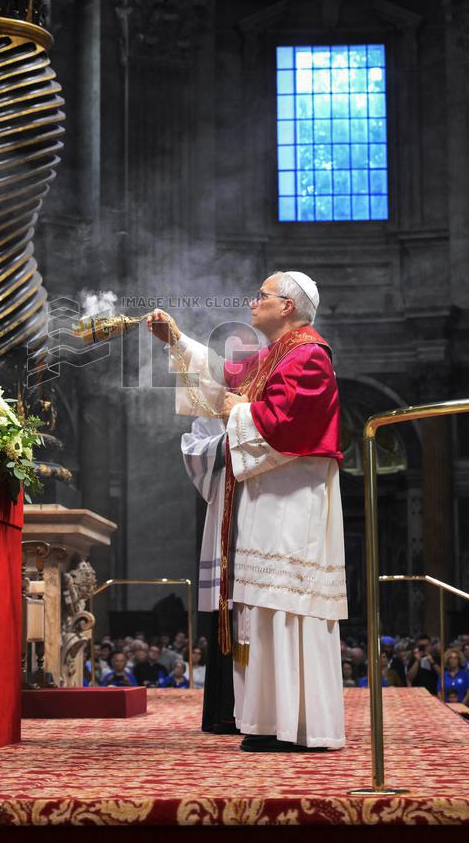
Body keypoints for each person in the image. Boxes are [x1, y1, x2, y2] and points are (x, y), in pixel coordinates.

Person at [148, 269, 348, 753]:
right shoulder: (274, 355)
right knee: (265, 608)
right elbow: (222, 380)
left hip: (292, 505)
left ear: (288, 307)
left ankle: (301, 728)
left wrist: (239, 412)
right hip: (268, 499)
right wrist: (176, 340)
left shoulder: (308, 356)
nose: (253, 301)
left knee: (288, 606)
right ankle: (268, 723)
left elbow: (287, 424)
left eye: (263, 295)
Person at [181, 414, 236, 732]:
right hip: (224, 516)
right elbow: (193, 453)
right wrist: (234, 436)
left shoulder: (262, 399)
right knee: (225, 617)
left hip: (261, 510)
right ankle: (223, 710)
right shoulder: (210, 416)